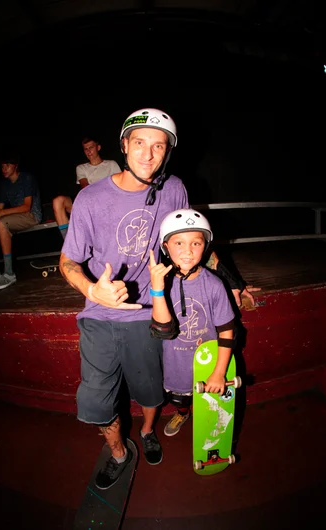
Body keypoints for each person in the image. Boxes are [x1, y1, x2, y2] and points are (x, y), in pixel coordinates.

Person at [59, 108, 257, 491]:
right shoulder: (90, 199)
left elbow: (192, 237)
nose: (148, 155)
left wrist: (234, 282)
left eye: (158, 147)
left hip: (150, 310)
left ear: (167, 152)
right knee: (99, 400)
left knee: (151, 389)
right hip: (101, 311)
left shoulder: (175, 189)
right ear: (123, 145)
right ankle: (118, 454)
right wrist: (91, 290)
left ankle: (148, 430)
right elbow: (68, 260)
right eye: (139, 144)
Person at [149, 208, 235, 437]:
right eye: (179, 243)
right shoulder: (160, 283)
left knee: (206, 401)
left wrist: (219, 372)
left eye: (196, 243)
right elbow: (162, 331)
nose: (188, 251)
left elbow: (227, 330)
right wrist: (157, 290)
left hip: (207, 362)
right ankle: (183, 412)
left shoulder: (214, 285)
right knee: (179, 398)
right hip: (174, 360)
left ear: (205, 247)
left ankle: (201, 414)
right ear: (165, 246)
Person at [0, 152, 42, 290]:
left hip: (31, 215)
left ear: (15, 166)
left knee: (2, 222)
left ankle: (9, 274)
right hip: (15, 218)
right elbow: (0, 208)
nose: (4, 168)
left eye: (7, 165)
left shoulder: (27, 178)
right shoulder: (4, 184)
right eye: (2, 166)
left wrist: (0, 214)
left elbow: (26, 206)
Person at [52, 135, 121, 240]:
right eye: (86, 149)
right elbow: (85, 186)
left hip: (108, 202)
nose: (89, 151)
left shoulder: (111, 164)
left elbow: (120, 185)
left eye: (91, 147)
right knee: (58, 201)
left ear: (98, 147)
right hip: (88, 202)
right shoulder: (81, 168)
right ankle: (69, 243)